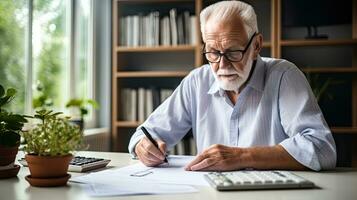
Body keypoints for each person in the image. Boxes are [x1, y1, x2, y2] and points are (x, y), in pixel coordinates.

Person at [128, 0, 336, 171]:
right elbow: (145, 134)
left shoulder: (284, 76)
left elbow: (321, 149)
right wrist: (143, 147)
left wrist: (243, 156)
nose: (222, 64)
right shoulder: (197, 81)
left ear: (256, 46)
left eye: (233, 52)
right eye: (212, 52)